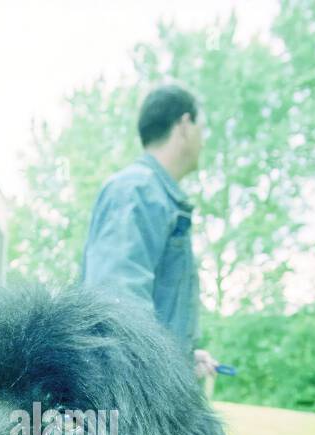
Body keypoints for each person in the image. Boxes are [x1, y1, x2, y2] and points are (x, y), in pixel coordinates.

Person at [80, 83, 218, 381]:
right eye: (202, 129)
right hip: (133, 404)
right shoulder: (137, 190)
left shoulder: (154, 196)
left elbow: (149, 311)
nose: (204, 142)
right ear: (184, 125)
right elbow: (117, 305)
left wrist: (183, 357)